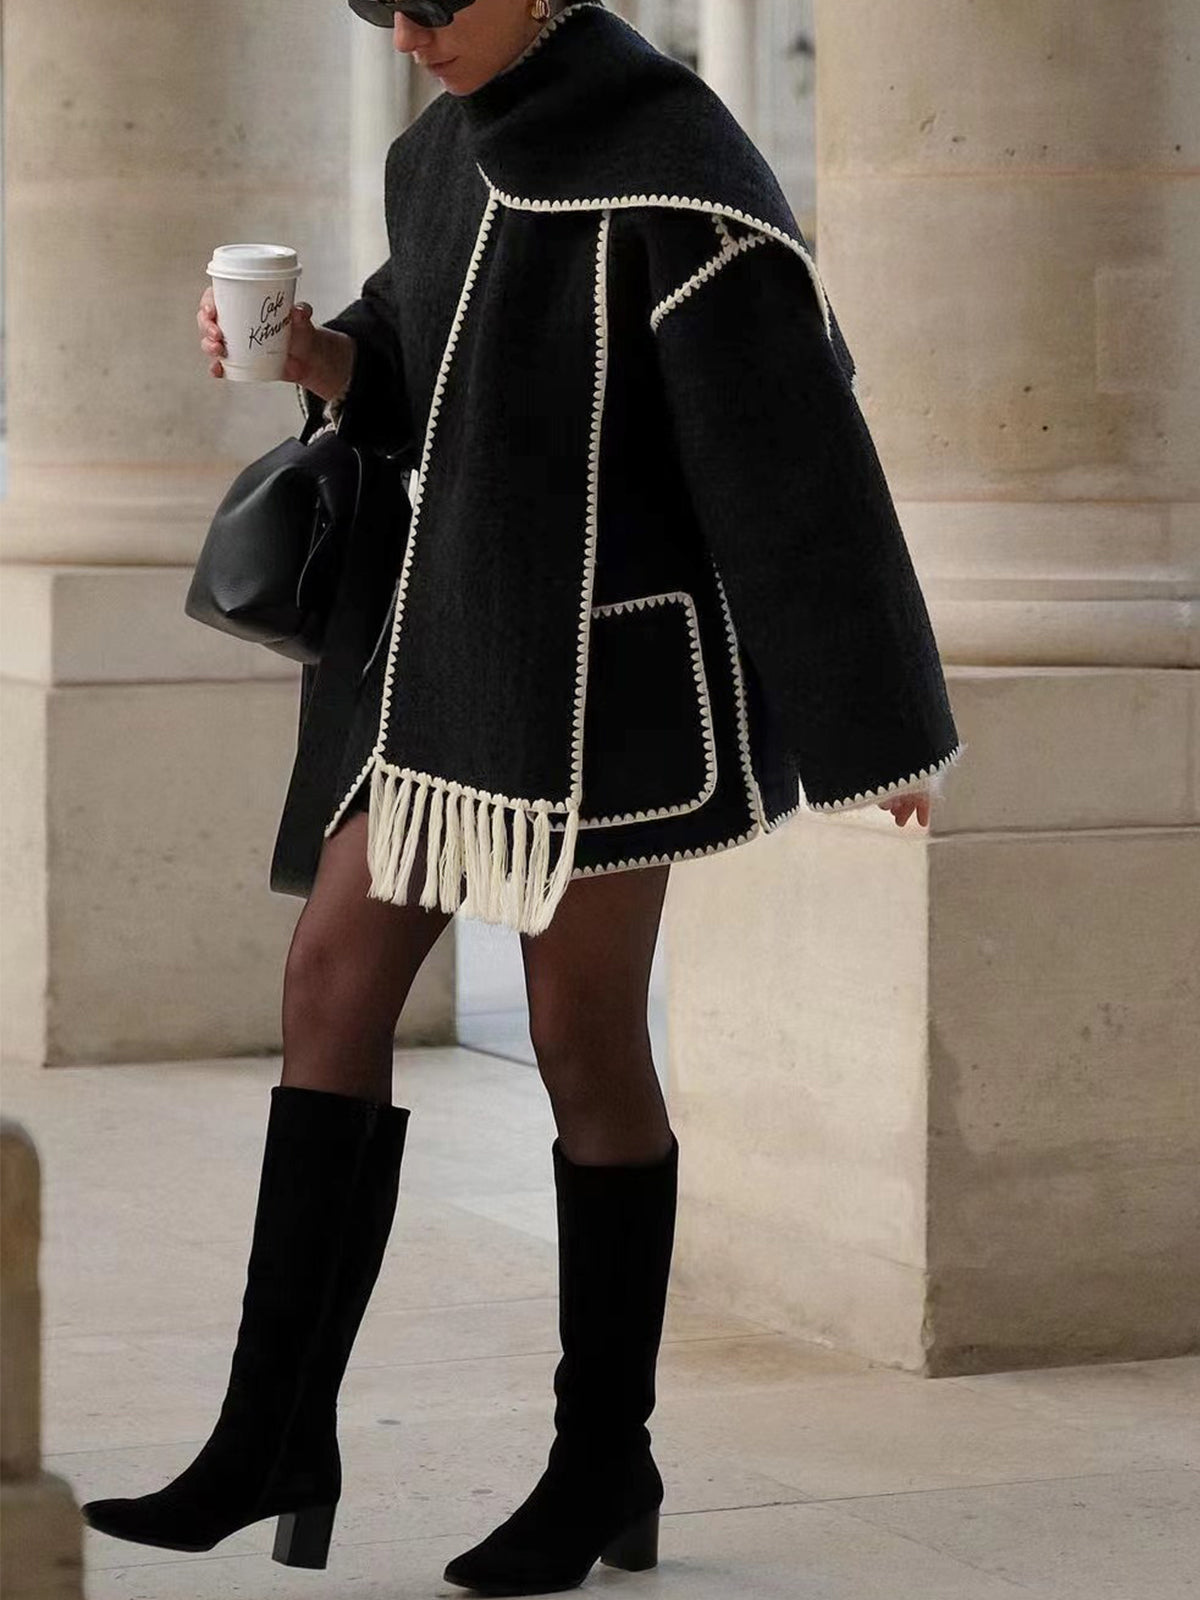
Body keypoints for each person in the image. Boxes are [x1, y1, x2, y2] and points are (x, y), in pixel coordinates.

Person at [82, 1, 964, 1594]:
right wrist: (311, 356)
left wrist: (879, 723)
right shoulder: (441, 151)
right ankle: (270, 1436)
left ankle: (602, 1460)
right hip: (445, 660)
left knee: (581, 1040)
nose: (409, 34)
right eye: (382, 7)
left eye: (436, 2)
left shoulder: (674, 161)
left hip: (610, 690)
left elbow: (790, 454)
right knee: (327, 983)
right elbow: (412, 364)